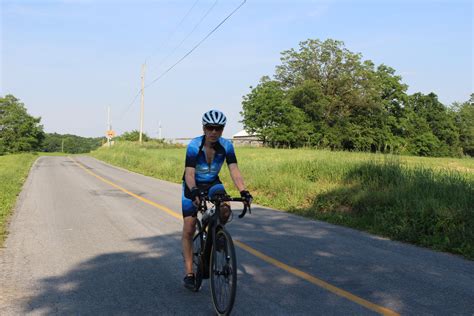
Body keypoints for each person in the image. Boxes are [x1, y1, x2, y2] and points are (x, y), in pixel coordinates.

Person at [181, 109, 252, 290]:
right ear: (204, 128)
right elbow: (189, 173)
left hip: (213, 182)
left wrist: (243, 191)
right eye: (210, 128)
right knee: (189, 228)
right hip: (193, 184)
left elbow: (234, 170)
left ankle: (215, 228)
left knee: (225, 207)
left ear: (222, 129)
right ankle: (189, 272)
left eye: (218, 128)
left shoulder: (226, 146)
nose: (214, 132)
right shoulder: (194, 146)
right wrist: (194, 190)